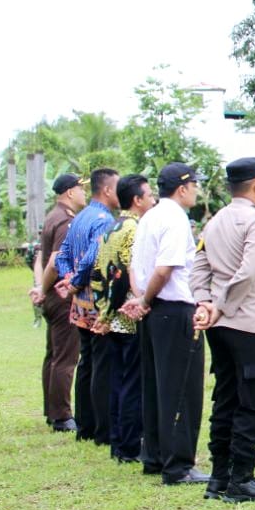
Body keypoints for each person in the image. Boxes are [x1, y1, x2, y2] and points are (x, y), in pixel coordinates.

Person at [192, 157, 255, 502]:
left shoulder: (214, 221)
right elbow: (248, 272)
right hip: (250, 324)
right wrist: (221, 305)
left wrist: (205, 303)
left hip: (220, 326)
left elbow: (198, 265)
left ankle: (219, 477)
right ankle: (242, 479)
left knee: (226, 398)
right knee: (254, 402)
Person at [122, 162, 210, 484]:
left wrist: (141, 299)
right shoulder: (174, 218)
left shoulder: (149, 217)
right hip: (173, 310)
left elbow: (135, 267)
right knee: (182, 390)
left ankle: (155, 456)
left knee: (156, 386)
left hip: (154, 311)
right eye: (194, 185)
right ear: (183, 188)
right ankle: (178, 466)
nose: (196, 191)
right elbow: (165, 268)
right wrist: (145, 300)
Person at [88, 173, 153, 464]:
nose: (153, 200)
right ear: (137, 200)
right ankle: (129, 445)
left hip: (112, 314)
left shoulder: (111, 226)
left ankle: (117, 441)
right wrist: (136, 302)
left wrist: (104, 312)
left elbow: (100, 273)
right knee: (132, 382)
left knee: (118, 379)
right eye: (149, 196)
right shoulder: (134, 229)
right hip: (128, 315)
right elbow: (126, 273)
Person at [54, 167, 121, 444]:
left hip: (80, 302)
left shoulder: (80, 217)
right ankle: (103, 430)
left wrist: (69, 279)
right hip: (97, 301)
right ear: (106, 190)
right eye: (118, 187)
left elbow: (63, 255)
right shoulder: (104, 220)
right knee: (103, 365)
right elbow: (95, 256)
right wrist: (77, 280)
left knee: (87, 363)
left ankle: (85, 426)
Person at [29, 173, 87, 432]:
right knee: (65, 356)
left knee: (53, 354)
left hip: (51, 293)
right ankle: (62, 416)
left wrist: (40, 287)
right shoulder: (65, 221)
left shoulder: (52, 216)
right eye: (81, 189)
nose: (84, 194)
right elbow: (54, 260)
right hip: (62, 295)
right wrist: (43, 288)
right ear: (70, 192)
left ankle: (52, 411)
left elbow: (39, 258)